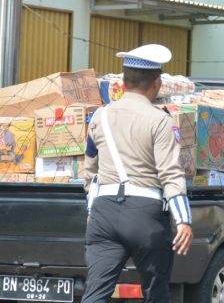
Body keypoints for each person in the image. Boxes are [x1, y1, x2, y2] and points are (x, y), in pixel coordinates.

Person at [82, 44, 194, 303]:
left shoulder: (100, 116)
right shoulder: (160, 121)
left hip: (104, 213)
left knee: (95, 294)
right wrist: (184, 220)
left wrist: (91, 211)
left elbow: (91, 167)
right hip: (146, 216)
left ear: (122, 81)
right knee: (156, 294)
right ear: (156, 84)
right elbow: (170, 174)